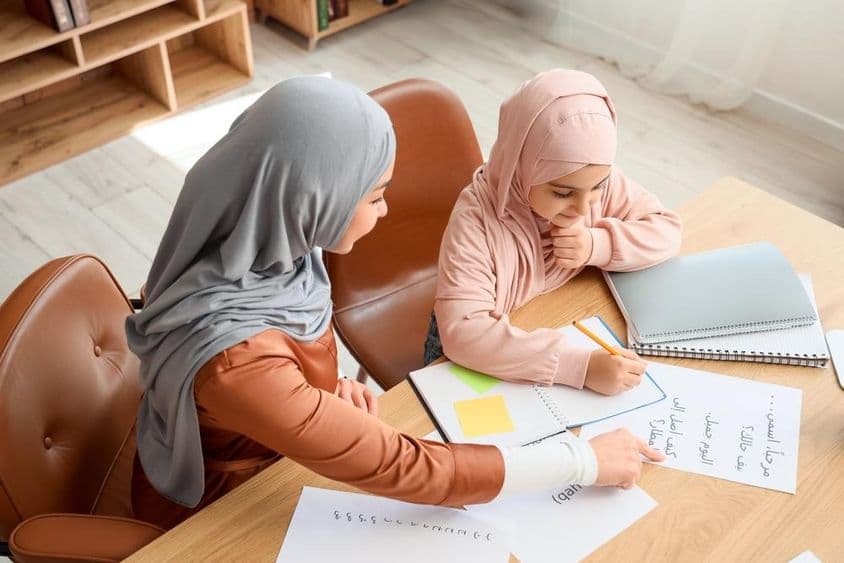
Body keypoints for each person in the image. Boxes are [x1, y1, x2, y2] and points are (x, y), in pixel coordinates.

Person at [126, 76, 663, 530]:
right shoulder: (239, 363)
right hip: (224, 516)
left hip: (280, 449)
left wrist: (321, 390)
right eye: (377, 195)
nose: (385, 214)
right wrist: (582, 460)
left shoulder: (265, 247)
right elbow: (406, 468)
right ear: (308, 200)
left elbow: (272, 376)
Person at [427, 69, 683, 397]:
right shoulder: (476, 221)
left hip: (549, 330)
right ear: (519, 165)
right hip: (468, 362)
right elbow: (463, 333)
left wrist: (597, 244)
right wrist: (579, 366)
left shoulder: (592, 181)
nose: (583, 207)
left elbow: (667, 229)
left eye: (597, 187)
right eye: (562, 193)